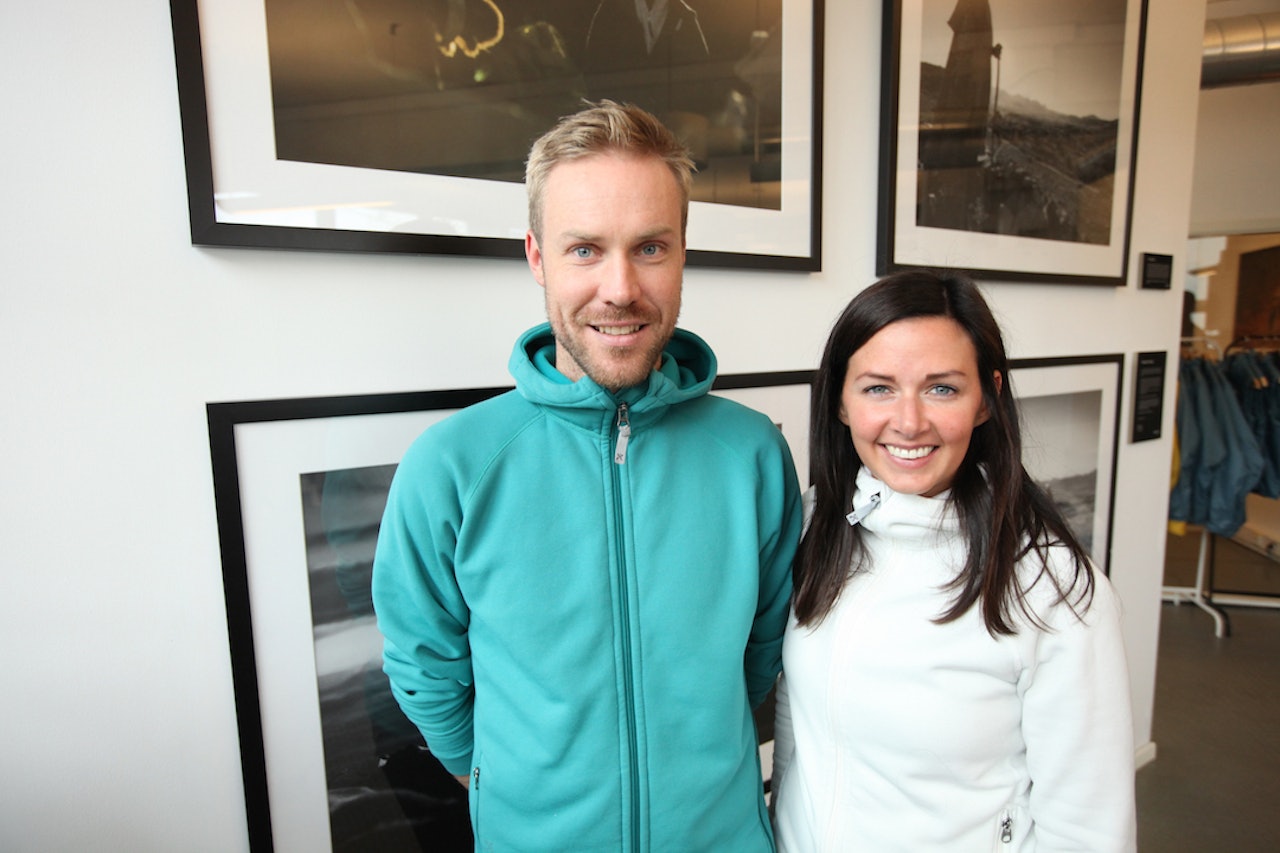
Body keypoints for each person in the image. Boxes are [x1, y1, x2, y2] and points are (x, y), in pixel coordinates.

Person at [372, 100, 802, 852]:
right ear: (537, 256)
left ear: (683, 252)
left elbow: (765, 653)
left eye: (650, 248)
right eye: (584, 250)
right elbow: (422, 659)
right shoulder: (452, 465)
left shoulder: (754, 454)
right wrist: (498, 774)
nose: (620, 287)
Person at [771, 270, 1136, 851]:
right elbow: (799, 736)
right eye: (878, 388)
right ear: (840, 401)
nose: (909, 422)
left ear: (987, 398)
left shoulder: (1053, 586)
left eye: (942, 388)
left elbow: (1088, 828)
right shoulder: (815, 526)